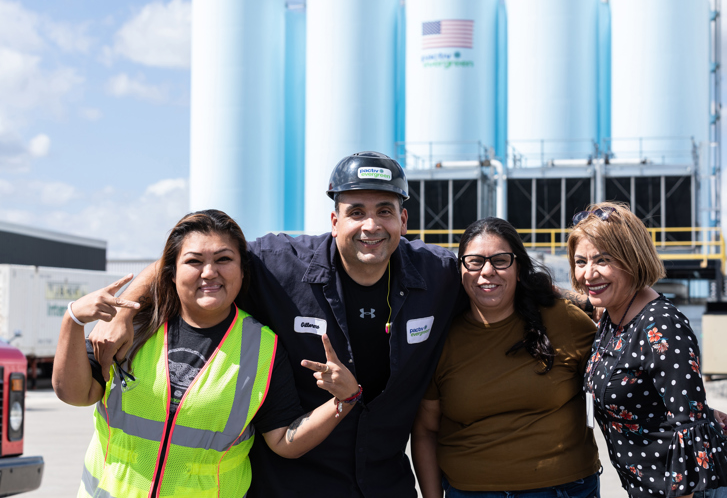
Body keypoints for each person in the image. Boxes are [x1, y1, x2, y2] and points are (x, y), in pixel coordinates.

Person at [87, 152, 466, 497]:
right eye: (356, 212)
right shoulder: (281, 265)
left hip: (386, 486)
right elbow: (190, 257)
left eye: (384, 211)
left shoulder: (440, 274)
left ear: (403, 219)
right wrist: (124, 311)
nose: (371, 225)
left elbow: (499, 291)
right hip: (289, 485)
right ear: (334, 221)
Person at [53, 210, 360, 498]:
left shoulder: (262, 347)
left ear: (242, 272)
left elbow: (283, 441)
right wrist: (73, 320)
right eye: (194, 261)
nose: (209, 272)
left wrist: (342, 402)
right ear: (171, 273)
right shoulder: (133, 327)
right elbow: (76, 394)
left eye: (224, 259)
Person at [567, 202, 727, 498]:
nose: (588, 274)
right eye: (580, 262)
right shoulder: (614, 314)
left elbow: (688, 430)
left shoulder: (661, 325)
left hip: (693, 491)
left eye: (602, 260)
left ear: (633, 259)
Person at [412, 217, 601, 497]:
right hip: (470, 492)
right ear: (460, 270)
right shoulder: (441, 337)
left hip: (564, 489)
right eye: (474, 261)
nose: (487, 271)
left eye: (500, 260)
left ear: (519, 268)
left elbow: (622, 365)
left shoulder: (563, 319)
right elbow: (426, 430)